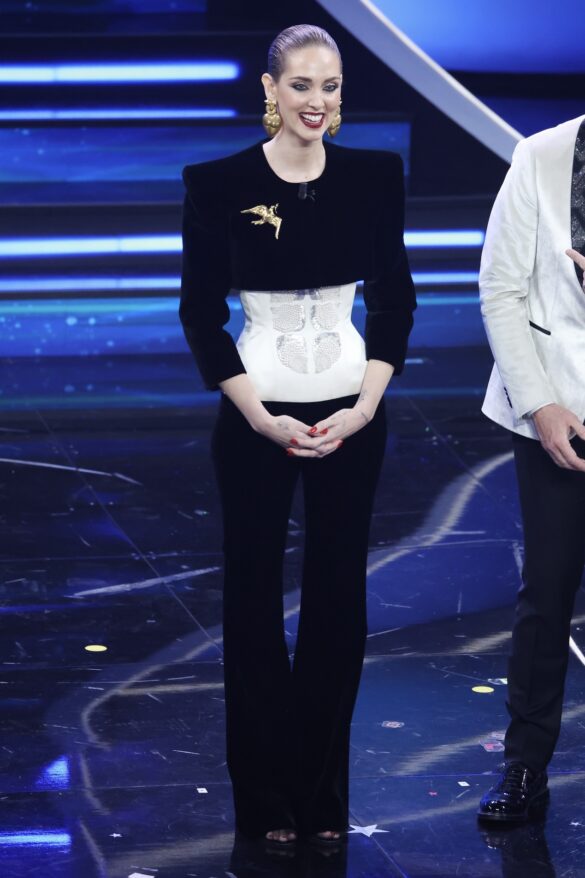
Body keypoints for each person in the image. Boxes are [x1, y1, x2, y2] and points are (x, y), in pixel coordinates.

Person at [179, 24, 415, 846]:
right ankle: (265, 803)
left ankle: (320, 799)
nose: (317, 101)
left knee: (337, 603)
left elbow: (394, 301)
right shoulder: (219, 183)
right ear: (270, 89)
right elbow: (199, 314)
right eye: (302, 85)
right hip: (255, 419)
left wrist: (364, 408)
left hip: (353, 417)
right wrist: (258, 417)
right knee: (251, 604)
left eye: (331, 85)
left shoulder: (373, 176)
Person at [477, 114, 585, 822]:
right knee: (546, 593)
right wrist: (539, 405)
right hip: (556, 404)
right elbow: (500, 289)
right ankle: (524, 768)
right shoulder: (542, 154)